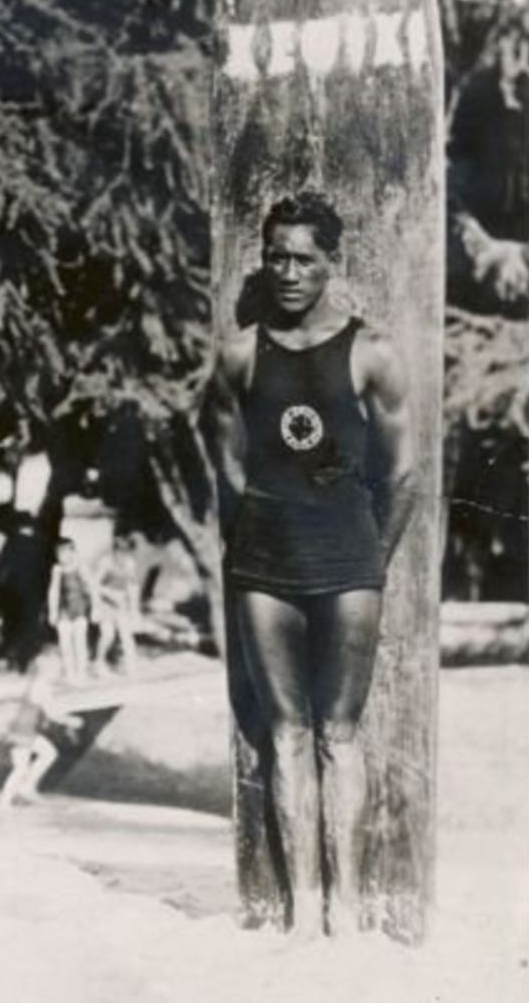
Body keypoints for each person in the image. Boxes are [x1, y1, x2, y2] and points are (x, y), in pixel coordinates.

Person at [209, 191, 415, 939]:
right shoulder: (239, 355)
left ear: (331, 262)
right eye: (276, 257)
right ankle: (302, 912)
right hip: (266, 561)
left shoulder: (372, 353)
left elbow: (402, 476)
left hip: (348, 558)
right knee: (286, 732)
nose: (289, 272)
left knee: (340, 733)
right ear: (263, 260)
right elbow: (229, 468)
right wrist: (256, 539)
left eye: (304, 258)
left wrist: (370, 558)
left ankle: (349, 906)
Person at [0, 647, 83, 808]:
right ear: (47, 670)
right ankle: (6, 801)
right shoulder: (41, 686)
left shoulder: (39, 682)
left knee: (47, 754)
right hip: (23, 731)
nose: (59, 673)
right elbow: (52, 713)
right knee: (22, 768)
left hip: (25, 728)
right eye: (58, 669)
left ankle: (25, 788)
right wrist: (70, 721)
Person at [93, 534, 142, 676]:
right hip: (106, 604)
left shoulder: (130, 564)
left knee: (127, 635)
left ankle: (131, 666)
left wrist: (135, 609)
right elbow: (94, 585)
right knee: (108, 635)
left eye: (126, 552)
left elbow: (133, 586)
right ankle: (99, 661)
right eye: (120, 552)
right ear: (114, 551)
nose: (122, 556)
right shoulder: (106, 563)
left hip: (121, 604)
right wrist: (108, 594)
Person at [46, 538, 93, 682]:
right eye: (59, 554)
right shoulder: (57, 570)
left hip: (79, 608)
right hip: (64, 610)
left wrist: (95, 606)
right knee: (65, 642)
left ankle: (82, 672)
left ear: (73, 553)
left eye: (65, 553)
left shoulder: (81, 567)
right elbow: (53, 591)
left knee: (80, 641)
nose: (61, 557)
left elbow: (91, 587)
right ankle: (69, 672)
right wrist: (52, 611)